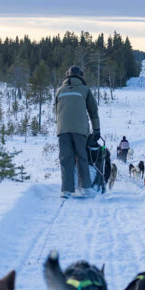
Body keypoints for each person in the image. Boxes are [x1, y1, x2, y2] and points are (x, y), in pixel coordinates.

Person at [55, 65, 100, 198]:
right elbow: (93, 110)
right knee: (82, 157)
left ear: (67, 75)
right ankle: (85, 187)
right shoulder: (84, 90)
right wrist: (97, 129)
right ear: (80, 75)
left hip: (62, 129)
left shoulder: (60, 90)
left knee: (65, 159)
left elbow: (56, 110)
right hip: (80, 130)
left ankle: (66, 190)